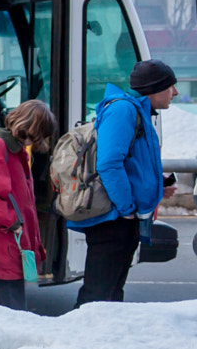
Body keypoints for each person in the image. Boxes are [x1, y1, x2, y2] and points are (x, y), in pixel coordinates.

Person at [69, 59, 175, 306]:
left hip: (122, 217)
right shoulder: (123, 110)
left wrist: (159, 183)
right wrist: (127, 209)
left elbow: (132, 162)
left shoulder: (137, 110)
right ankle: (80, 340)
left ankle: (104, 340)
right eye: (171, 86)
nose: (175, 93)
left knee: (111, 293)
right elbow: (108, 164)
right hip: (114, 218)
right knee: (99, 294)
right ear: (155, 87)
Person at [0, 100, 54, 310]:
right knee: (11, 312)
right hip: (4, 246)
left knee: (8, 311)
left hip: (9, 246)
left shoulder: (14, 150)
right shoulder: (0, 148)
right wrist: (12, 222)